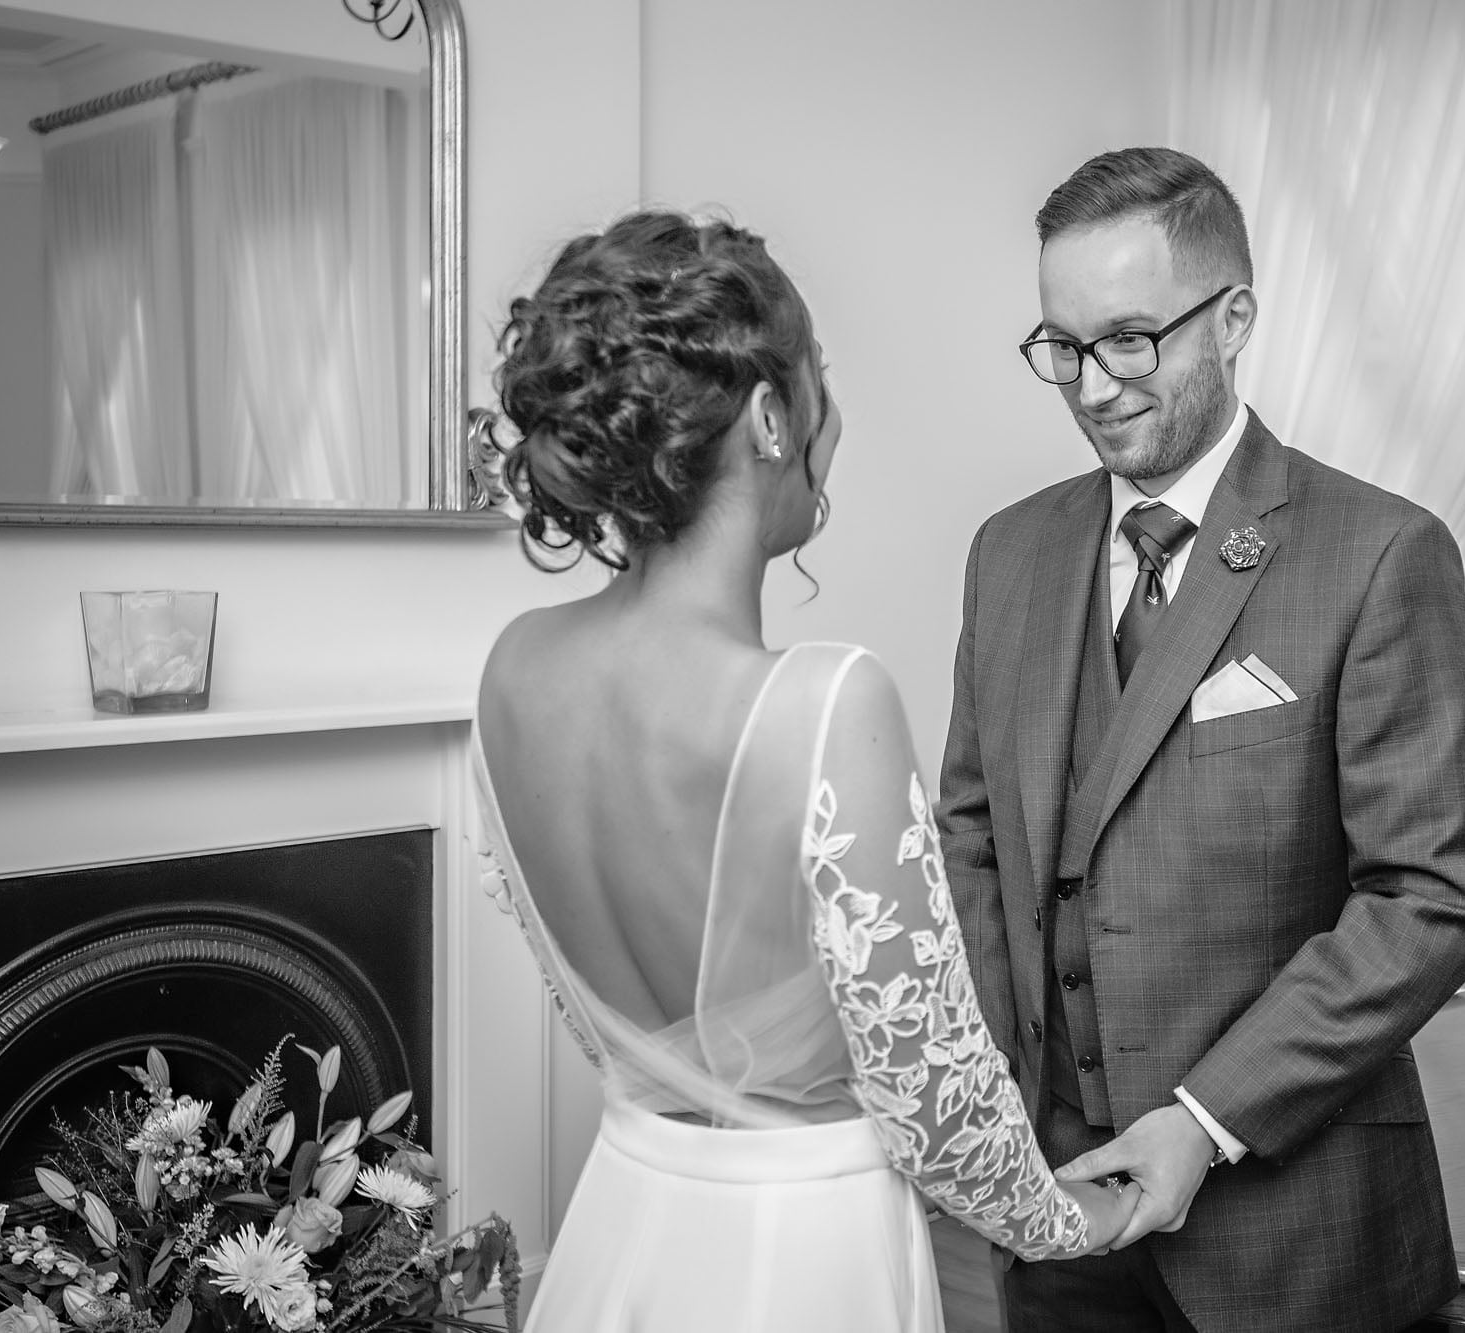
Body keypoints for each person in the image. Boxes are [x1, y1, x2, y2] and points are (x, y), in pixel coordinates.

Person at [471, 210, 1136, 1332]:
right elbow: (933, 1107)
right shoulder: (824, 705)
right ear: (773, 416)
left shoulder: (513, 669)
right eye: (819, 375)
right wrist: (1085, 1219)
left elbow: (611, 1028)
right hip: (800, 1253)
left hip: (626, 1212)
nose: (839, 418)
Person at [938, 146, 1465, 1332]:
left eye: (1131, 339)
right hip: (1055, 1223)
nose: (1092, 386)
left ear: (1233, 314)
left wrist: (1203, 1121)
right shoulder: (1007, 553)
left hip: (1293, 1231)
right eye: (1062, 346)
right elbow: (972, 841)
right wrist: (993, 1117)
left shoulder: (1379, 554)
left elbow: (1431, 896)